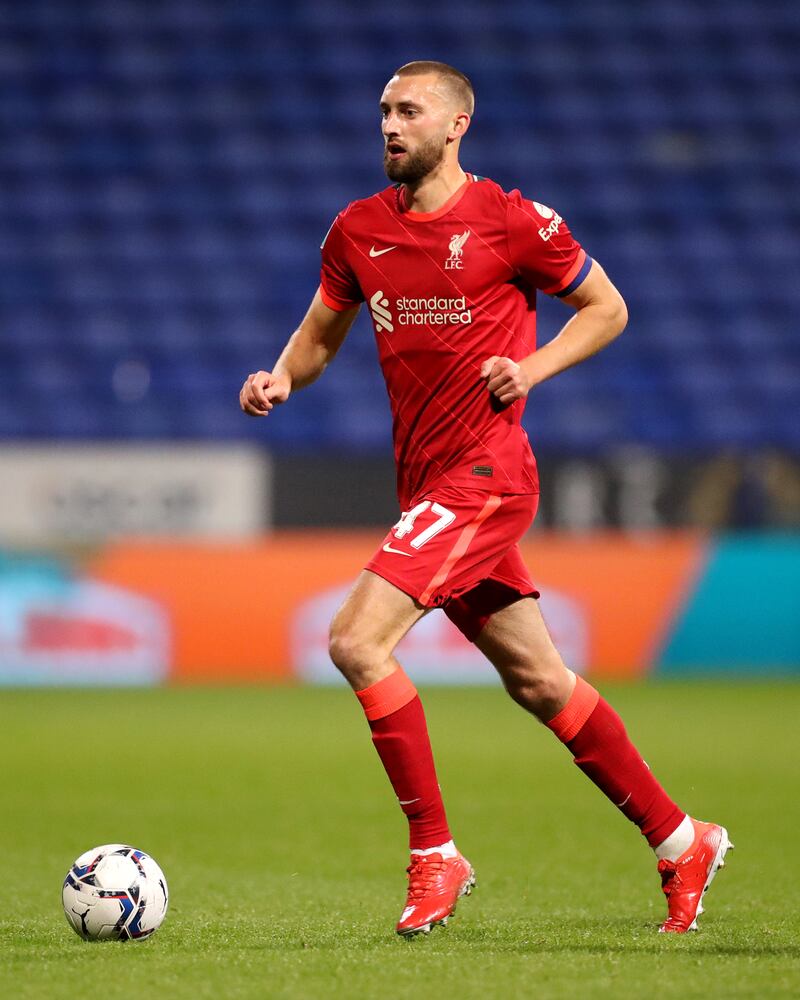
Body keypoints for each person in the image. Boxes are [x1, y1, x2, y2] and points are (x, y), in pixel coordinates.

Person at [240, 60, 731, 938]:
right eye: (384, 111)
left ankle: (436, 853)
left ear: (458, 124)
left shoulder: (512, 221)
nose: (390, 125)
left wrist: (531, 369)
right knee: (541, 681)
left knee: (357, 641)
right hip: (429, 484)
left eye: (410, 111)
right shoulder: (358, 230)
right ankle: (680, 838)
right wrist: (280, 378)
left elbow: (607, 307)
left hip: (487, 473)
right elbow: (319, 335)